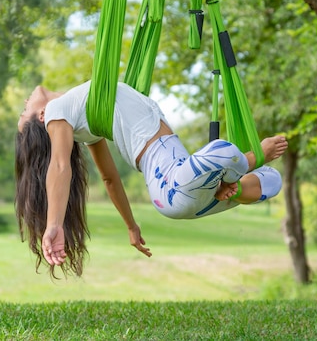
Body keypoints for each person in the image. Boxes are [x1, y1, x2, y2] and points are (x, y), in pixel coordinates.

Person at [15, 81, 288, 278]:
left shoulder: (89, 121)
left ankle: (229, 185)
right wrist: (54, 224)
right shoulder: (55, 111)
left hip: (188, 189)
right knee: (223, 151)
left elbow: (110, 179)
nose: (24, 104)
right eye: (22, 114)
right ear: (42, 117)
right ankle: (249, 160)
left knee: (272, 179)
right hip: (172, 187)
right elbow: (61, 165)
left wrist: (132, 226)